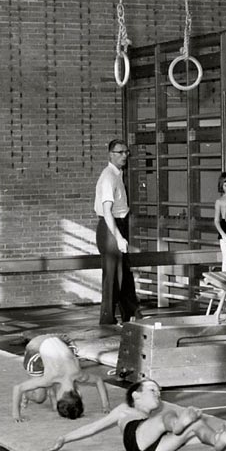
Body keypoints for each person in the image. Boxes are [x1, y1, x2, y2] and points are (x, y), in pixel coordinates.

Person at [45, 379, 226, 451]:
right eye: (152, 390)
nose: (158, 394)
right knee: (169, 418)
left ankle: (217, 440)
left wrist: (197, 435)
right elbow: (93, 427)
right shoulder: (124, 410)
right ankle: (179, 425)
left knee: (197, 424)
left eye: (159, 391)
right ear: (136, 396)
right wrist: (64, 438)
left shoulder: (152, 418)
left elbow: (184, 439)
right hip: (135, 439)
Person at [12, 334, 110, 422]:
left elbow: (98, 380)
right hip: (36, 348)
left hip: (58, 340)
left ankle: (49, 390)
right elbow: (18, 388)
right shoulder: (49, 379)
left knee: (63, 368)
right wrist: (16, 415)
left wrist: (106, 405)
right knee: (39, 398)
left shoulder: (78, 375)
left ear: (78, 394)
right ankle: (28, 393)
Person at [94, 139, 139, 326]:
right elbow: (106, 211)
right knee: (113, 277)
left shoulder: (117, 175)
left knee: (124, 275)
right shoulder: (108, 177)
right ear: (110, 154)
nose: (124, 156)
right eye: (120, 152)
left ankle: (132, 315)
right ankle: (107, 320)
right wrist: (118, 237)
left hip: (118, 225)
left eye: (126, 152)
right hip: (110, 227)